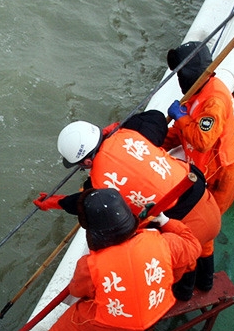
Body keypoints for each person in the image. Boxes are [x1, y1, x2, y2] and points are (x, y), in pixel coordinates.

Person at [16, 189, 201, 331]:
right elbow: (193, 246)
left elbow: (77, 291)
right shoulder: (162, 243)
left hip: (108, 323)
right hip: (145, 320)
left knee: (65, 330)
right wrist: (166, 221)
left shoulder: (91, 265)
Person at [34, 110, 221, 300]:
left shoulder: (99, 182)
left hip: (185, 226)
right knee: (205, 245)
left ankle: (184, 294)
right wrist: (115, 128)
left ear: (88, 161)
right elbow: (156, 117)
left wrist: (52, 202)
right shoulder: (129, 134)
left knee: (185, 262)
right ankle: (206, 283)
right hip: (208, 202)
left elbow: (81, 204)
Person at [164, 41, 234, 214]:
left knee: (201, 220)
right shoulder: (202, 90)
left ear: (189, 73)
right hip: (203, 169)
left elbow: (202, 141)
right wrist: (155, 141)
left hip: (218, 178)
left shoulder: (214, 102)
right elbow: (180, 132)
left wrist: (181, 118)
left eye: (180, 73)